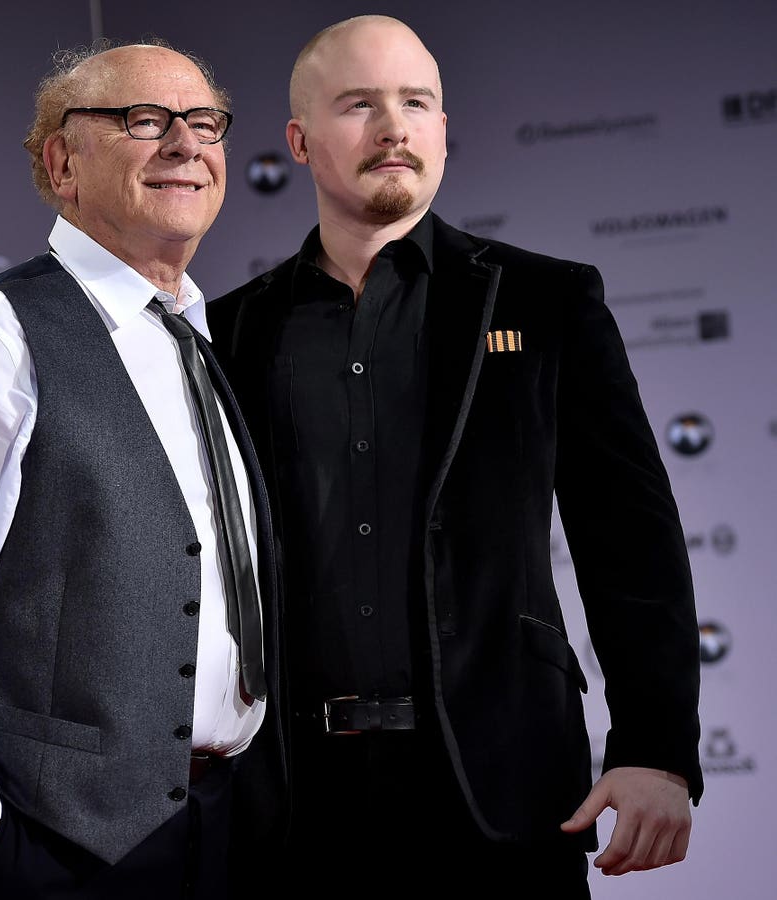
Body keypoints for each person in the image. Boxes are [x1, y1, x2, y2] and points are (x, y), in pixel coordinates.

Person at [209, 15, 701, 896]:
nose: (395, 127)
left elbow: (632, 543)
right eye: (360, 104)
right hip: (290, 811)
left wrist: (657, 751)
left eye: (417, 102)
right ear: (300, 142)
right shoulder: (231, 329)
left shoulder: (549, 300)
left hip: (500, 788)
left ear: (442, 128)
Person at [0, 41, 281, 900]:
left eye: (204, 122)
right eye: (144, 121)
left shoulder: (199, 339)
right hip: (56, 847)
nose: (186, 145)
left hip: (230, 830)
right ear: (62, 160)